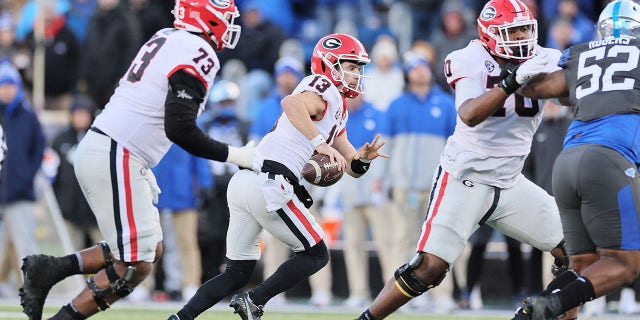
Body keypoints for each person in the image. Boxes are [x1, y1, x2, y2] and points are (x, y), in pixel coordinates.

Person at [18, 1, 261, 320]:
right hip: (117, 152)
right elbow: (180, 128)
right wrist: (235, 155)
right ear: (207, 17)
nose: (229, 25)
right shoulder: (197, 51)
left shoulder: (168, 37)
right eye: (225, 18)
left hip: (114, 149)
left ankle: (50, 269)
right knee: (136, 264)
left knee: (151, 249)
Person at [356, 1, 569, 319]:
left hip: (510, 181)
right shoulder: (468, 58)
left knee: (575, 249)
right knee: (428, 268)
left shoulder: (545, 58)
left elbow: (569, 96)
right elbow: (469, 114)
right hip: (466, 177)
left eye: (526, 28)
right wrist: (511, 81)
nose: (523, 36)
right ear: (491, 35)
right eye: (514, 31)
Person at [168, 33, 388, 320]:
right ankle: (255, 300)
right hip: (271, 183)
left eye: (358, 68)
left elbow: (350, 165)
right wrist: (319, 144)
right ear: (329, 65)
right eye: (351, 66)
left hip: (246, 181)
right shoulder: (322, 87)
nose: (357, 74)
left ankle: (180, 318)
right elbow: (291, 104)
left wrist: (363, 160)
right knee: (317, 253)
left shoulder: (337, 109)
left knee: (236, 272)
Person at [504, 1, 640, 319]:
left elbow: (540, 88)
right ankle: (553, 305)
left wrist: (509, 78)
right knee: (626, 264)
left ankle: (529, 313)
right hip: (609, 160)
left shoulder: (582, 52)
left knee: (581, 266)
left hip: (567, 162)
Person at [50, 95, 102, 250]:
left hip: (97, 210)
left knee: (108, 257)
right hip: (69, 209)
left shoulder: (100, 139)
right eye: (76, 113)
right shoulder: (60, 140)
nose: (80, 118)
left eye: (83, 113)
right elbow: (53, 174)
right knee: (72, 256)